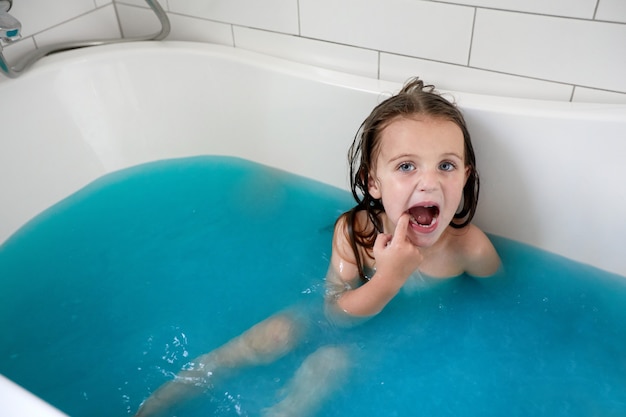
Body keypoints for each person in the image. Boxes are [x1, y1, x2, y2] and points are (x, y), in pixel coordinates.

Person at [133, 77, 501, 416]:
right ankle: (188, 382)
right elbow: (334, 314)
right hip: (351, 314)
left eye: (446, 166)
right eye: (406, 166)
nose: (429, 183)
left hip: (403, 341)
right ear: (373, 182)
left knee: (328, 364)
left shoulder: (469, 249)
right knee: (280, 330)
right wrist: (388, 279)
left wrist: (392, 281)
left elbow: (503, 302)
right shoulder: (355, 232)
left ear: (465, 175)